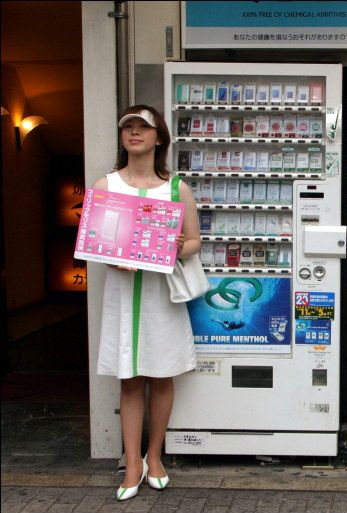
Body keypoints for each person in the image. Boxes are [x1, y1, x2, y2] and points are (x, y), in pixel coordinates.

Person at [93, 105, 200, 501]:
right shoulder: (105, 187)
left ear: (159, 138)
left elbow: (193, 241)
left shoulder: (177, 188)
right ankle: (132, 461)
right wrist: (113, 257)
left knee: (162, 373)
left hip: (161, 293)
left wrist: (174, 250)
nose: (135, 133)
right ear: (122, 137)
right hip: (122, 294)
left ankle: (155, 456)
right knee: (130, 376)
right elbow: (97, 243)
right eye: (128, 127)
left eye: (143, 127)